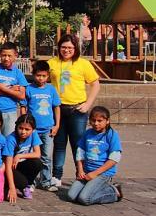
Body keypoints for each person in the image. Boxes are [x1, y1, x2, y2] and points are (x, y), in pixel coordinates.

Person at [48, 34, 101, 191]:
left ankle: (81, 172)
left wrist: (87, 104)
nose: (66, 50)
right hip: (58, 109)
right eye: (64, 47)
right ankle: (56, 176)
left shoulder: (83, 64)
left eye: (70, 47)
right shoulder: (52, 63)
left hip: (77, 109)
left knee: (78, 144)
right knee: (58, 144)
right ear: (59, 48)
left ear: (76, 48)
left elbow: (95, 84)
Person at [66, 106, 123, 205]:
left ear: (107, 121)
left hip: (103, 174)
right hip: (87, 172)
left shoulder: (112, 135)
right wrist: (80, 169)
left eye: (100, 121)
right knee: (71, 196)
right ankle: (93, 188)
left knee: (84, 199)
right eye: (93, 120)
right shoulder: (87, 133)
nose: (96, 123)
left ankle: (113, 191)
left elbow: (114, 158)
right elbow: (80, 152)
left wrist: (95, 173)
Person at [23, 60, 61, 191]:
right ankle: (30, 181)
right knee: (31, 155)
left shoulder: (51, 90)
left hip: (47, 129)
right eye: (38, 75)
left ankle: (46, 181)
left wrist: (57, 125)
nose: (41, 78)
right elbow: (24, 106)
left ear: (48, 76)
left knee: (46, 156)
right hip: (32, 130)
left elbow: (56, 107)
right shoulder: (29, 89)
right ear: (33, 75)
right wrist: (24, 123)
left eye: (44, 76)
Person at [0, 42, 27, 137]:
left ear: (15, 56)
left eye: (9, 56)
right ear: (0, 55)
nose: (6, 58)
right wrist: (11, 90)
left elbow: (21, 95)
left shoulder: (18, 73)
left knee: (8, 141)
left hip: (10, 112)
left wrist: (2, 88)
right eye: (4, 55)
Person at [3, 114, 42, 203]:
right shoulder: (11, 139)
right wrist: (12, 188)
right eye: (20, 128)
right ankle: (13, 185)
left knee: (37, 163)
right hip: (9, 168)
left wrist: (19, 156)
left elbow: (37, 154)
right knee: (22, 183)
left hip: (21, 164)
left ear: (33, 130)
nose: (23, 132)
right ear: (16, 127)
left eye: (27, 129)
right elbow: (8, 167)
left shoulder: (34, 134)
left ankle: (26, 186)